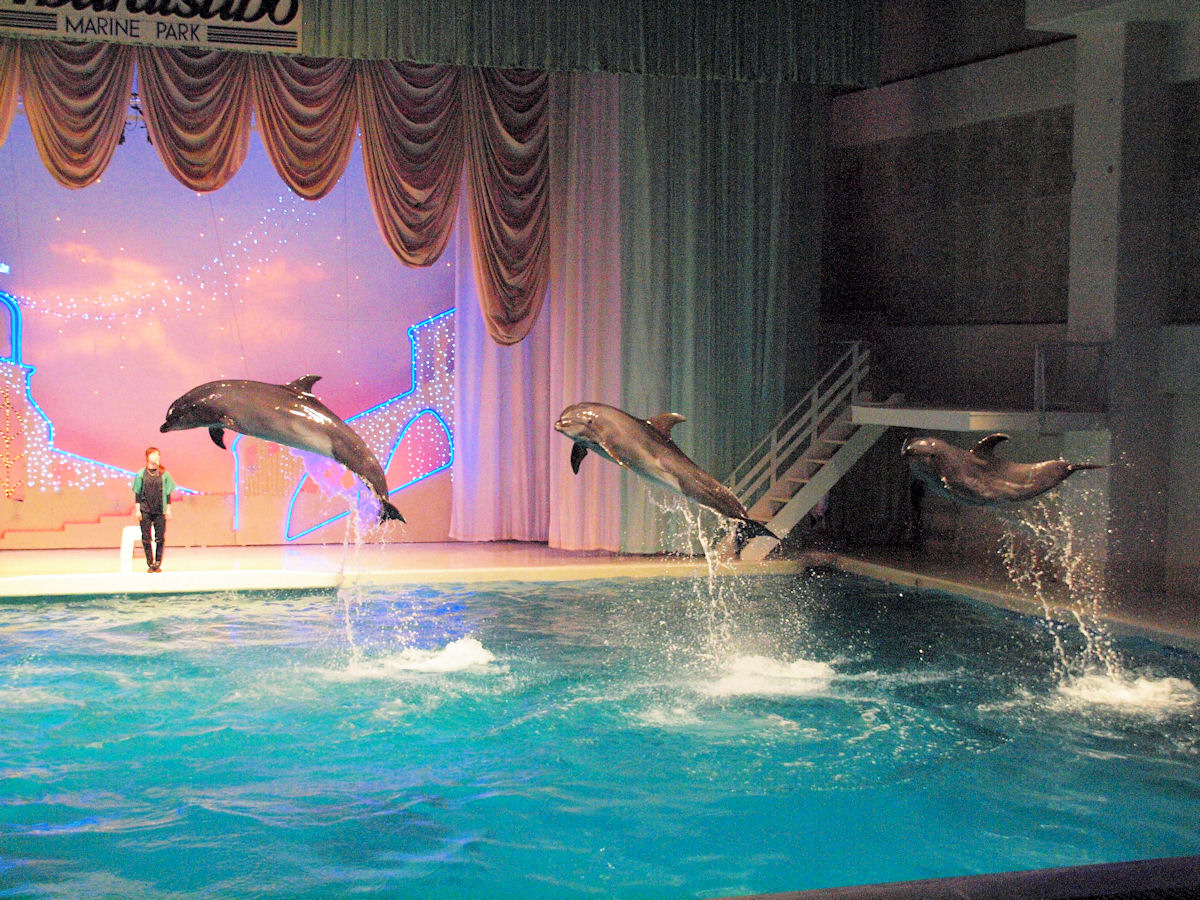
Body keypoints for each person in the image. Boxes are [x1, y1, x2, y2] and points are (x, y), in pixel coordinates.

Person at [132, 446, 176, 572]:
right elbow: (137, 493)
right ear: (147, 457)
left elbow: (168, 494)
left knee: (160, 537)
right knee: (146, 537)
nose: (157, 456)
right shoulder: (141, 474)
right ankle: (150, 563)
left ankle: (157, 563)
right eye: (153, 454)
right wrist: (138, 510)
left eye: (158, 454)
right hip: (145, 509)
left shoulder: (164, 474)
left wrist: (168, 509)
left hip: (159, 509)